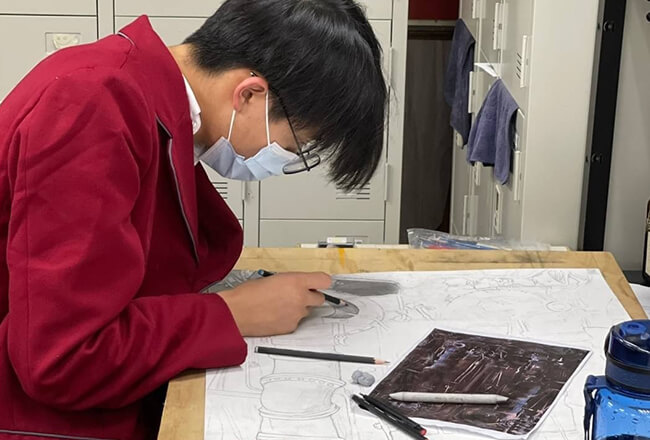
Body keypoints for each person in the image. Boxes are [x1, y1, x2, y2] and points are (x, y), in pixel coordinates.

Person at [0, 0, 387, 439]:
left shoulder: (150, 100)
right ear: (249, 94)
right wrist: (232, 314)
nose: (288, 158)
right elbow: (63, 360)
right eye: (298, 144)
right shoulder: (93, 105)